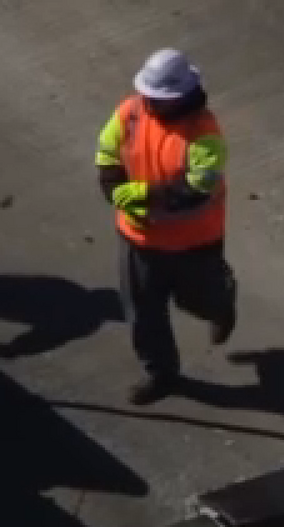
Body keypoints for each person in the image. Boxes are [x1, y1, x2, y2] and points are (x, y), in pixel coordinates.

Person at [96, 48, 237, 405]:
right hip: (138, 237)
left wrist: (143, 195)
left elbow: (195, 188)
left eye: (159, 99)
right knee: (143, 312)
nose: (151, 103)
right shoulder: (130, 112)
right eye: (149, 95)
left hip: (194, 241)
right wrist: (112, 186)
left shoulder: (204, 133)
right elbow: (108, 151)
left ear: (181, 97)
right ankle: (161, 374)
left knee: (197, 300)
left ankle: (221, 303)